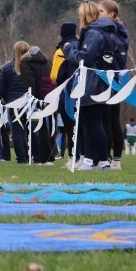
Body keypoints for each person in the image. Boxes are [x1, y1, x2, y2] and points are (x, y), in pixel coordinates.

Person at [62, 1, 118, 170]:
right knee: (90, 122)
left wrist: (68, 51)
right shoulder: (97, 32)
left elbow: (85, 58)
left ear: (85, 15)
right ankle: (97, 160)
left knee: (92, 123)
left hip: (92, 83)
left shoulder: (94, 33)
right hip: (93, 82)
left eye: (80, 14)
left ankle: (97, 160)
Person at [98, 0, 130, 170]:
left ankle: (115, 159)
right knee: (105, 120)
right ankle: (108, 157)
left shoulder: (116, 33)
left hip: (113, 80)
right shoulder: (110, 32)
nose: (98, 13)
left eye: (101, 11)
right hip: (107, 79)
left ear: (112, 15)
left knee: (111, 120)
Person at [19, 44, 54, 164]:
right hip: (49, 97)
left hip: (36, 99)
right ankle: (50, 156)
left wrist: (31, 101)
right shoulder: (47, 61)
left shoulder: (25, 62)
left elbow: (29, 83)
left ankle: (42, 157)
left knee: (38, 128)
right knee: (49, 127)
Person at [50, 22, 78, 166]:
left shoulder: (61, 50)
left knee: (69, 127)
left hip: (66, 93)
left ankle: (73, 157)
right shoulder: (82, 45)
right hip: (83, 91)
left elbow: (55, 76)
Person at [0, 42, 31, 164]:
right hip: (29, 102)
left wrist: (6, 100)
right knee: (31, 130)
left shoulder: (7, 68)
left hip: (14, 103)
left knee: (17, 132)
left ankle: (22, 158)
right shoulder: (32, 66)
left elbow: (1, 89)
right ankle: (33, 155)